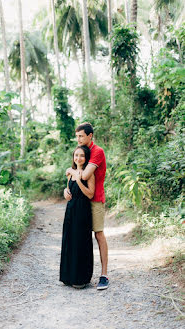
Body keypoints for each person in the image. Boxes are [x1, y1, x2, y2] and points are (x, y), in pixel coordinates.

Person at [65, 122, 109, 290]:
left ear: (90, 136)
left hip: (94, 200)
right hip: (79, 203)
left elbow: (84, 174)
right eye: (76, 136)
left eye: (81, 136)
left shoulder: (97, 152)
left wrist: (70, 169)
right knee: (80, 238)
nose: (78, 139)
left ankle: (104, 275)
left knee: (98, 235)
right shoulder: (83, 152)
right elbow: (76, 175)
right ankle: (78, 274)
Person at [60, 145, 95, 288]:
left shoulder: (88, 174)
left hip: (83, 210)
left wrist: (79, 180)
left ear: (86, 158)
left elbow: (90, 194)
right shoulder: (70, 173)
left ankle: (81, 279)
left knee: (80, 241)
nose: (78, 158)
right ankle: (68, 277)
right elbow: (69, 190)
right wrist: (65, 192)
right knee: (69, 239)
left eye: (81, 155)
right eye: (76, 155)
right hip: (71, 209)